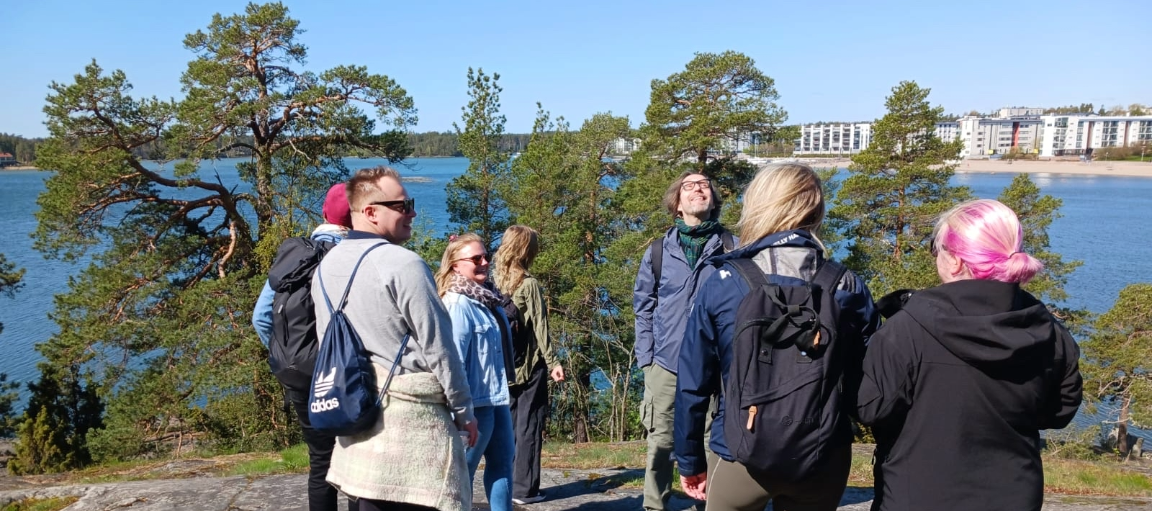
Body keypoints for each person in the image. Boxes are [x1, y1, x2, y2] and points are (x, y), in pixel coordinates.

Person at [674, 164, 879, 511]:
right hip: (823, 454)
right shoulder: (846, 286)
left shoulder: (725, 281)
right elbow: (871, 383)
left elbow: (693, 382)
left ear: (759, 205)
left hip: (740, 450)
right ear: (816, 209)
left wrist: (691, 459)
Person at [856, 199, 1083, 511]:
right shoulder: (1048, 332)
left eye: (936, 247)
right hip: (1014, 495)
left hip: (917, 494)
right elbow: (1060, 411)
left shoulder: (906, 329)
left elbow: (871, 408)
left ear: (956, 262)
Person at [313, 166, 478, 511]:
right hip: (409, 429)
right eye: (403, 206)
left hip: (357, 416)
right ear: (371, 212)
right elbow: (440, 348)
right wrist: (464, 411)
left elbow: (327, 340)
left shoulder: (326, 266)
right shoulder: (404, 264)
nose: (413, 212)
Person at [633, 171, 733, 511]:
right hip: (666, 364)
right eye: (689, 186)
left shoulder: (734, 247)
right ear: (677, 204)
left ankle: (711, 503)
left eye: (704, 185)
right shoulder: (659, 251)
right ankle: (653, 505)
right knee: (660, 441)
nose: (698, 189)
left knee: (710, 441)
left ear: (713, 200)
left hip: (715, 366)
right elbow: (643, 306)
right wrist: (646, 359)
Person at [252, 182, 355, 511]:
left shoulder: (295, 256)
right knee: (357, 461)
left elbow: (260, 319)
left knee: (320, 462)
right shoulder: (355, 257)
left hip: (298, 374)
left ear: (325, 214)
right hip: (344, 377)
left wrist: (286, 354)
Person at [436, 233, 515, 511]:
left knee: (504, 463)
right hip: (474, 405)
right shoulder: (457, 305)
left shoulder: (486, 298)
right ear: (456, 265)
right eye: (475, 258)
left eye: (486, 257)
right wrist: (461, 411)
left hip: (496, 398)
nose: (484, 262)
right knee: (462, 475)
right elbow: (451, 361)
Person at [492, 225, 564, 505]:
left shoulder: (495, 280)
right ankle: (525, 489)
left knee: (507, 428)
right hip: (530, 366)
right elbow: (540, 328)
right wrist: (553, 361)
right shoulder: (529, 284)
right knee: (529, 426)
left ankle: (507, 485)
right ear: (527, 250)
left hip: (504, 366)